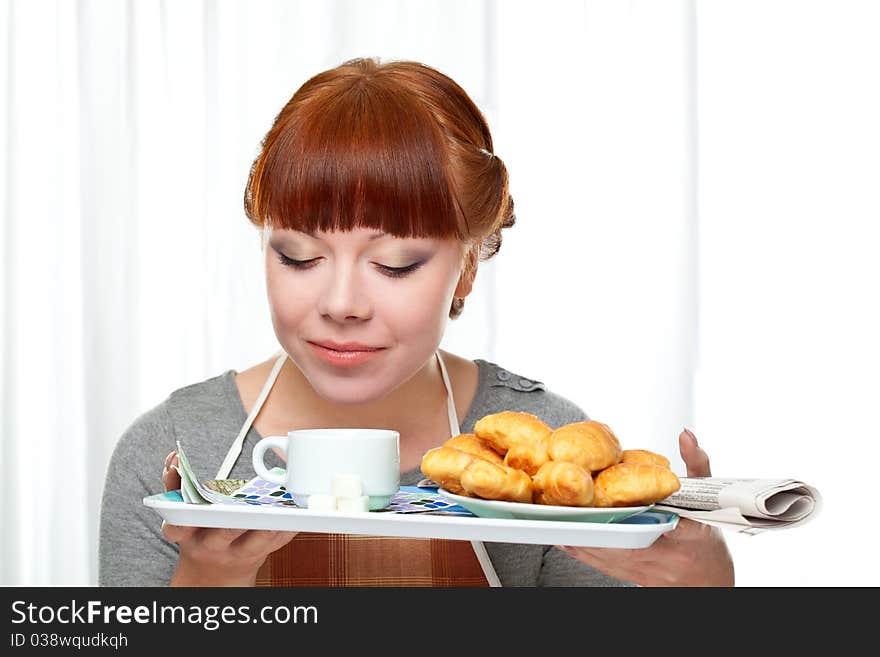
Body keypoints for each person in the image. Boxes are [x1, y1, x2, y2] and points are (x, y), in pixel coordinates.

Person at [99, 57, 734, 587]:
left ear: (465, 269)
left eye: (395, 264)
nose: (342, 302)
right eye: (297, 255)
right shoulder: (175, 454)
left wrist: (705, 596)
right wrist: (207, 581)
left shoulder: (544, 459)